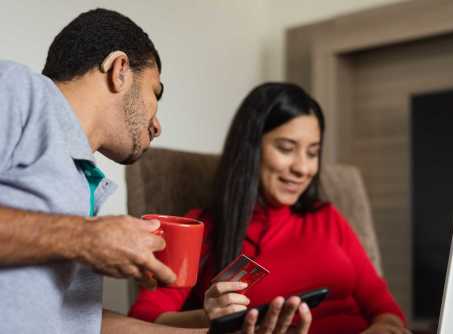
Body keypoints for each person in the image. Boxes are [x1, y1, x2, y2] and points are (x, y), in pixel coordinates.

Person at [0, 9, 309, 334]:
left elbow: (83, 322)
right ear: (120, 70)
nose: (157, 125)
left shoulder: (83, 182)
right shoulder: (17, 89)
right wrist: (87, 237)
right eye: (154, 93)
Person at [129, 82, 411, 334]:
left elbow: (386, 310)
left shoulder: (326, 217)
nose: (302, 168)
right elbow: (144, 319)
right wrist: (207, 318)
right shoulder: (199, 228)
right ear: (251, 150)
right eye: (287, 148)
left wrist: (386, 327)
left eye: (312, 153)